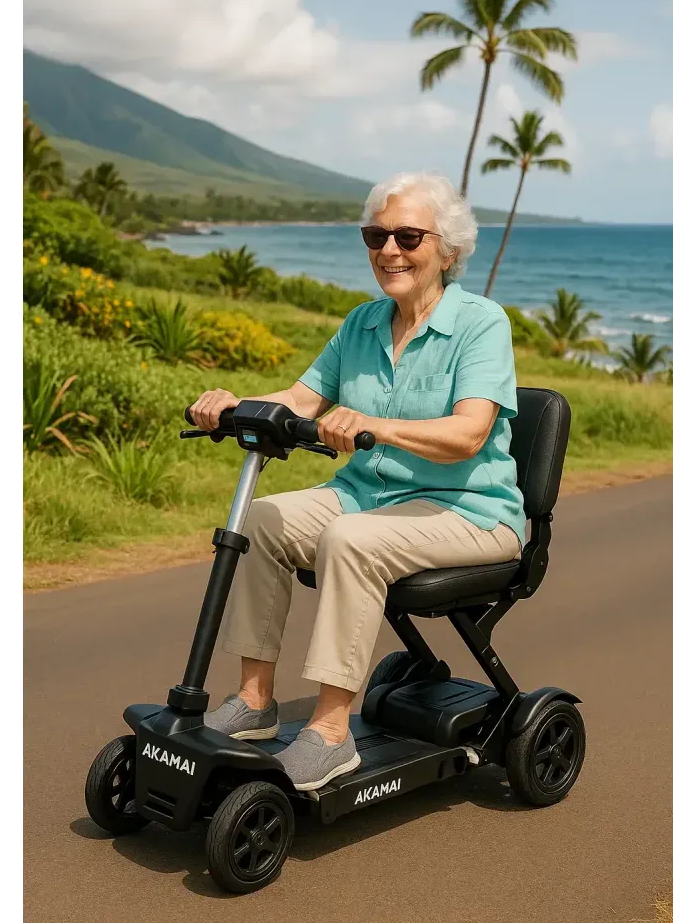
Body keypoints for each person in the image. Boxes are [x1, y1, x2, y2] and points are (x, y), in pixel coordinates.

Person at [186, 171, 526, 791]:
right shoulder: (362, 323)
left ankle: (330, 735)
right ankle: (255, 702)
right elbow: (299, 398)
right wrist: (232, 405)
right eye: (376, 235)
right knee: (264, 521)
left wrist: (377, 424)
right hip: (369, 496)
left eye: (408, 236)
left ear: (446, 250)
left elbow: (470, 434)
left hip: (469, 511)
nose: (389, 250)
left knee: (351, 539)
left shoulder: (482, 324)